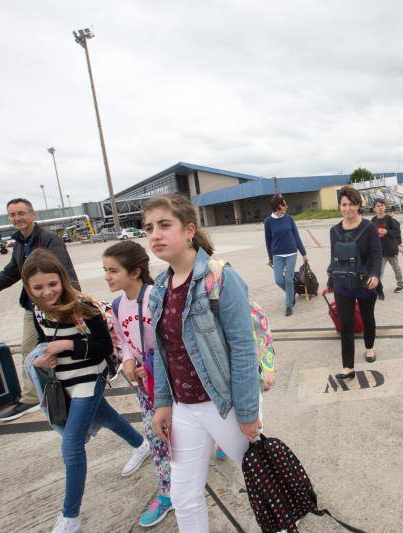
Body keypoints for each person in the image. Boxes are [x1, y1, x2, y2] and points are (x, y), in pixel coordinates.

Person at [143, 195, 263, 533]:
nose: (155, 234)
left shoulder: (219, 278)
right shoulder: (160, 288)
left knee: (261, 483)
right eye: (149, 228)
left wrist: (248, 411)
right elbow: (165, 353)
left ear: (189, 230)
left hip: (224, 403)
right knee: (183, 496)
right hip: (185, 409)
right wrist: (163, 403)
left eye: (165, 225)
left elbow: (242, 348)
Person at [22, 249, 150, 533]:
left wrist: (68, 346)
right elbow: (46, 343)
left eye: (53, 284)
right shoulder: (37, 310)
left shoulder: (81, 306)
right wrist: (43, 359)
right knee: (106, 416)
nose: (47, 292)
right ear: (28, 288)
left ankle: (70, 518)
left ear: (63, 280)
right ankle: (142, 445)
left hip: (90, 378)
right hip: (65, 382)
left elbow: (103, 348)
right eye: (38, 287)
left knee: (71, 445)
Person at [0, 198, 80, 422]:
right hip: (33, 306)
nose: (17, 218)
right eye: (12, 215)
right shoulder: (20, 243)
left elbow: (64, 273)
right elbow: (10, 273)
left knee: (54, 348)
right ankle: (33, 396)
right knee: (32, 350)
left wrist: (70, 307)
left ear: (32, 214)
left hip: (54, 306)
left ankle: (41, 396)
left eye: (21, 213)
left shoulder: (49, 240)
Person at [102, 241, 173, 528]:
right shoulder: (118, 305)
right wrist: (129, 360)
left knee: (179, 434)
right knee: (157, 440)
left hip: (168, 382)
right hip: (144, 386)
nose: (107, 276)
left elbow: (172, 339)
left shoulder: (157, 296)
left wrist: (151, 364)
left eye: (113, 270)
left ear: (135, 272)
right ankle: (168, 493)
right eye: (105, 270)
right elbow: (124, 341)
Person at [327, 186, 381, 380]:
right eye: (344, 204)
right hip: (343, 284)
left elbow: (376, 254)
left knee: (367, 319)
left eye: (351, 204)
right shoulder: (334, 231)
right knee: (346, 325)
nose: (347, 208)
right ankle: (348, 367)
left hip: (366, 283)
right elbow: (334, 258)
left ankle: (369, 347)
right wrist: (330, 280)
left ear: (358, 205)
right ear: (340, 206)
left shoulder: (369, 228)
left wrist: (375, 275)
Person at [264, 194, 308, 317]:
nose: (286, 206)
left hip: (291, 253)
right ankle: (291, 292)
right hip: (277, 254)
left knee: (288, 279)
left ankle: (289, 305)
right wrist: (270, 257)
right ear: (278, 206)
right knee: (278, 280)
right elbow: (268, 241)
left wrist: (303, 253)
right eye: (284, 204)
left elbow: (296, 236)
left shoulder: (289, 219)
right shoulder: (268, 222)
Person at [371, 198, 403, 299]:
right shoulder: (373, 221)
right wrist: (376, 234)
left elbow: (397, 232)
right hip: (380, 251)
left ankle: (400, 284)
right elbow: (370, 235)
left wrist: (386, 232)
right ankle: (378, 289)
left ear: (385, 207)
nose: (380, 207)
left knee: (396, 268)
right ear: (374, 209)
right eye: (378, 206)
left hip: (391, 249)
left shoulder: (389, 219)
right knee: (378, 271)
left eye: (382, 205)